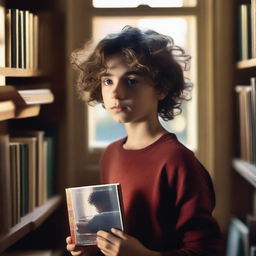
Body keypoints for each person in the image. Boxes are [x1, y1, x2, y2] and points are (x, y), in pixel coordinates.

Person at [66, 26, 222, 256]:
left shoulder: (178, 160)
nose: (116, 93)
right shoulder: (110, 154)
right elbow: (120, 237)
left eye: (130, 81)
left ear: (161, 88)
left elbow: (207, 250)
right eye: (108, 81)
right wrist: (93, 248)